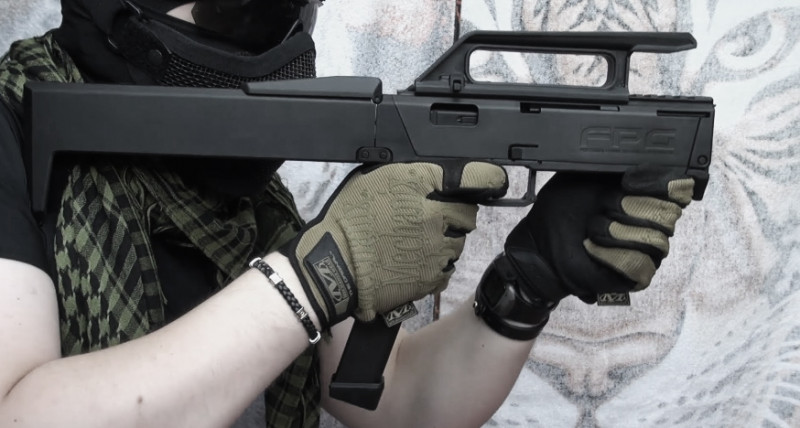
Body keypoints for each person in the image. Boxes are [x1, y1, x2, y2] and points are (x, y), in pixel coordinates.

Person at [0, 1, 697, 427]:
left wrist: (528, 282)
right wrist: (312, 280)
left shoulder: (250, 205)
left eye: (296, 15)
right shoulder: (15, 136)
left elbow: (398, 404)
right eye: (244, 12)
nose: (283, 48)